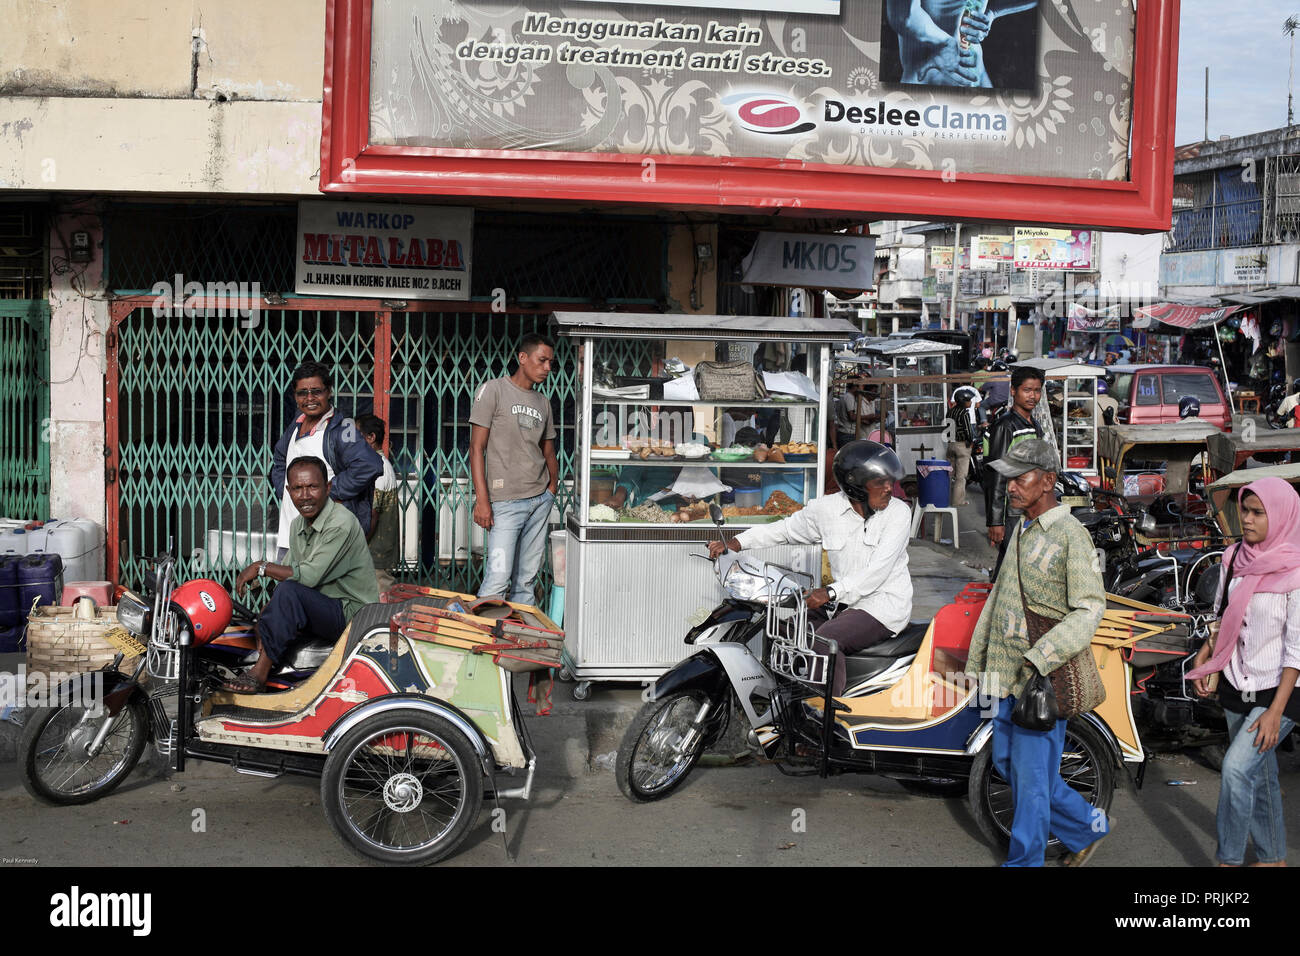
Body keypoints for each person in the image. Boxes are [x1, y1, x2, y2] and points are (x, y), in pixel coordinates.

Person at [966, 439, 1110, 866]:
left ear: (1048, 481)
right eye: (1008, 477)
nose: (1010, 486)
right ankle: (1088, 827)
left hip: (1040, 681)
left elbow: (1090, 608)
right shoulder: (1021, 529)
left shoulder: (1070, 535)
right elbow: (1001, 598)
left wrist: (1042, 656)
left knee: (1029, 784)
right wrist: (981, 660)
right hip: (1005, 674)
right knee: (1010, 765)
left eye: (1020, 477)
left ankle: (1024, 862)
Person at [707, 441, 912, 697]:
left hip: (882, 606)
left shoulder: (898, 514)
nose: (888, 488)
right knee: (783, 634)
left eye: (889, 481)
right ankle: (786, 708)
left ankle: (826, 719)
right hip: (843, 604)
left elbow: (877, 572)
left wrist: (830, 592)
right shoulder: (826, 509)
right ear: (856, 484)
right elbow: (784, 530)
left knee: (823, 643)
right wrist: (738, 542)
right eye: (880, 482)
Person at [1189, 477, 1300, 867]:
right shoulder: (1233, 557)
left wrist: (1274, 713)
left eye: (1257, 513)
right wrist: (1207, 656)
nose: (1246, 519)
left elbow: (1296, 650)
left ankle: (1229, 860)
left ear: (1282, 516)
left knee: (1236, 770)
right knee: (1262, 776)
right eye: (1244, 510)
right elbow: (1222, 617)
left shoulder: (1297, 569)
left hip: (1280, 691)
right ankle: (1272, 859)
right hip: (1237, 683)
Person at [226, 457, 379, 693]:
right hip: (324, 604)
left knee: (289, 592)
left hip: (352, 613)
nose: (305, 495)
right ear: (288, 491)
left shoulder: (340, 523)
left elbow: (306, 578)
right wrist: (267, 613)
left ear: (327, 488)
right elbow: (290, 573)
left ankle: (260, 672)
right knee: (267, 610)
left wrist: (261, 567)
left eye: (312, 487)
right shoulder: (298, 525)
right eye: (297, 488)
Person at [469, 333, 559, 606]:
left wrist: (552, 488)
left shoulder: (543, 402)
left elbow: (548, 450)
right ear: (522, 358)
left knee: (526, 581)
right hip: (505, 503)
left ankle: (520, 643)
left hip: (539, 500)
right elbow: (476, 448)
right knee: (497, 579)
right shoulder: (493, 390)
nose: (547, 368)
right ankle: (484, 641)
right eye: (542, 360)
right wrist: (483, 500)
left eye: (550, 363)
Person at [271, 362, 383, 560]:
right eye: (302, 393)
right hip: (289, 537)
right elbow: (280, 459)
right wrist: (286, 490)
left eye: (316, 391)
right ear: (295, 396)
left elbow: (369, 464)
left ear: (329, 392)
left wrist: (330, 491)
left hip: (323, 541)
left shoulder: (343, 428)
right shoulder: (296, 424)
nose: (310, 398)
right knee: (286, 589)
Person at [885, 0, 1039, 88]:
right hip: (931, 82)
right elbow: (903, 16)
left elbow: (903, 16)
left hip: (974, 74)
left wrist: (991, 13)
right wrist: (946, 43)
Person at [985, 365, 1044, 577]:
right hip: (1012, 510)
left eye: (1037, 390)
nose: (1032, 396)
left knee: (1016, 567)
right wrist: (995, 521)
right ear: (1013, 391)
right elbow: (997, 475)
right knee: (1012, 569)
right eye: (1027, 390)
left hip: (1030, 508)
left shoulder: (1034, 425)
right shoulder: (1005, 426)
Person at [356, 413, 400, 594]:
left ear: (371, 438)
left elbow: (372, 514)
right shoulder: (377, 464)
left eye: (357, 436)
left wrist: (357, 546)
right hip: (375, 553)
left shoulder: (378, 467)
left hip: (376, 554)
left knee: (379, 604)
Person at [946, 386, 979, 508]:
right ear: (963, 401)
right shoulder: (964, 413)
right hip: (961, 446)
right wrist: (970, 441)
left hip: (950, 444)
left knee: (949, 474)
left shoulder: (950, 411)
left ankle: (945, 497)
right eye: (969, 400)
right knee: (961, 477)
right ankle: (957, 501)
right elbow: (967, 430)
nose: (971, 402)